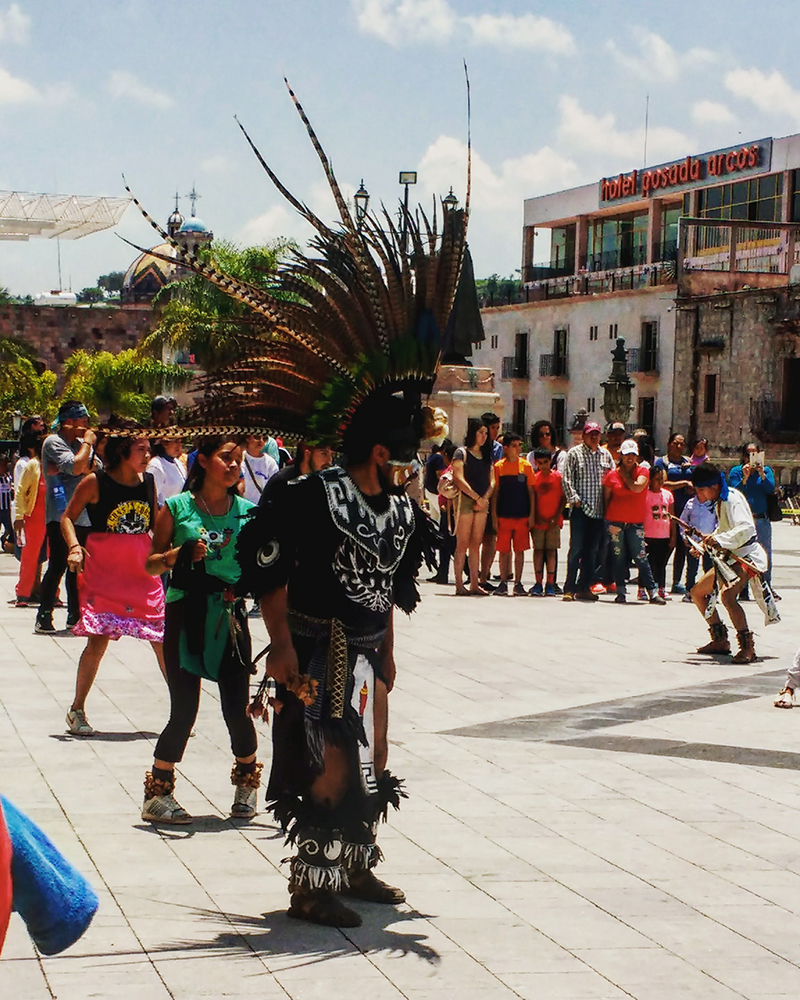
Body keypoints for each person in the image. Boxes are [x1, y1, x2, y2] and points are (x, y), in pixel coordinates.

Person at [239, 393, 431, 928]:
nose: (410, 464)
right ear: (377, 451)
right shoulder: (312, 495)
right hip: (318, 649)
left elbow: (390, 584)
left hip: (368, 650)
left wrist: (389, 650)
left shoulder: (399, 507)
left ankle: (352, 867)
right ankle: (309, 886)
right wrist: (280, 644)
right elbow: (269, 569)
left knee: (374, 762)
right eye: (404, 453)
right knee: (329, 767)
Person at [141, 435, 259, 825]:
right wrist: (176, 554)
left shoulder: (248, 513)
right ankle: (158, 794)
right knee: (184, 709)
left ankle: (246, 784)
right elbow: (152, 565)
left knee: (236, 710)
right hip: (185, 612)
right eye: (226, 457)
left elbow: (263, 568)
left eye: (238, 459)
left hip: (229, 613)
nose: (233, 465)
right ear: (204, 461)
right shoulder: (176, 508)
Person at [60, 430, 166, 736]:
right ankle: (77, 709)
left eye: (148, 449)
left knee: (162, 641)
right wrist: (74, 547)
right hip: (105, 573)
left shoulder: (149, 483)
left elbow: (157, 523)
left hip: (142, 573)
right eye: (141, 449)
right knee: (98, 641)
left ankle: (181, 710)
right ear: (121, 452)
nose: (148, 455)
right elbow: (68, 517)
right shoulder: (97, 482)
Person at [689, 461, 770, 664]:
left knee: (728, 595)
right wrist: (703, 545)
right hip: (730, 558)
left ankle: (747, 647)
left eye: (701, 490)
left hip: (746, 557)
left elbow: (745, 529)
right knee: (697, 593)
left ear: (713, 487)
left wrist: (719, 540)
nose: (700, 495)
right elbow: (724, 531)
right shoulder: (721, 501)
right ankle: (720, 640)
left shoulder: (732, 499)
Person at [35, 401, 100, 635]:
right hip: (60, 512)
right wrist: (85, 452)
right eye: (83, 422)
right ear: (69, 422)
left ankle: (75, 615)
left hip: (82, 514)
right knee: (59, 564)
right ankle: (44, 614)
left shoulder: (80, 445)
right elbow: (76, 467)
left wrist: (80, 462)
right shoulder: (54, 442)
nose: (86, 427)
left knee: (78, 567)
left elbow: (95, 468)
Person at [603, 440, 665, 605]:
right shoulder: (611, 475)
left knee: (641, 557)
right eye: (627, 454)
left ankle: (652, 591)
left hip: (635, 522)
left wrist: (624, 476)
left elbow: (638, 488)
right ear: (621, 456)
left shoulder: (643, 471)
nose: (630, 458)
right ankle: (621, 591)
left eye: (633, 454)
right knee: (618, 557)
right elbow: (606, 498)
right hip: (616, 522)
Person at [562, 421, 614, 601]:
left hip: (599, 511)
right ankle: (569, 588)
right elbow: (566, 478)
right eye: (590, 433)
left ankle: (584, 587)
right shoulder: (574, 454)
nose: (594, 437)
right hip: (581, 510)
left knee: (592, 552)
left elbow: (612, 479)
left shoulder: (606, 455)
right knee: (576, 549)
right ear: (584, 436)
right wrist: (574, 499)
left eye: (597, 434)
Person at [452, 418, 494, 596]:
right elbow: (458, 478)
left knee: (476, 543)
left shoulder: (486, 455)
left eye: (485, 433)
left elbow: (492, 480)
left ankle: (475, 583)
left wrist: (484, 498)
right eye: (480, 432)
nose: (483, 436)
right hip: (467, 499)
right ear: (473, 433)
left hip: (482, 501)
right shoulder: (461, 453)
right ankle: (459, 583)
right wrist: (476, 497)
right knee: (462, 542)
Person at [728, 443, 777, 596]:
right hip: (743, 519)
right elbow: (733, 492)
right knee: (742, 553)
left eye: (755, 453)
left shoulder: (767, 471)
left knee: (765, 553)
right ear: (744, 456)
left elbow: (770, 489)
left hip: (761, 518)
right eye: (749, 454)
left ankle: (766, 587)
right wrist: (744, 478)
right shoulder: (736, 471)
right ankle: (742, 588)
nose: (751, 457)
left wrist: (762, 475)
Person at [491, 433, 535, 596]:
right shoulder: (499, 467)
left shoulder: (526, 466)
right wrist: (494, 516)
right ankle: (503, 581)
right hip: (504, 514)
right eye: (514, 445)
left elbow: (531, 492)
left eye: (519, 445)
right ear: (506, 448)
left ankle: (518, 582)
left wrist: (532, 515)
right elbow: (495, 492)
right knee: (503, 550)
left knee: (520, 550)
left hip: (521, 514)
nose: (518, 449)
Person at [654, 433, 693, 594]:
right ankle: (657, 579)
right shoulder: (662, 462)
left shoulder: (687, 462)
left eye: (682, 444)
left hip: (686, 510)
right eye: (676, 443)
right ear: (669, 444)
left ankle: (677, 581)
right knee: (666, 546)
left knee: (682, 547)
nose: (679, 447)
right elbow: (662, 483)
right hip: (668, 509)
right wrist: (683, 483)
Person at [13, 432, 46, 608]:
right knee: (30, 556)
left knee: (56, 557)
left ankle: (51, 593)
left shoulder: (58, 466)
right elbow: (19, 492)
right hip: (34, 515)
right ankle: (23, 593)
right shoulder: (33, 466)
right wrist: (19, 516)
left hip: (54, 515)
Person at [529, 447, 564, 597]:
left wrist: (556, 517)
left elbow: (563, 498)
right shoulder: (534, 479)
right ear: (536, 463)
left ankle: (550, 583)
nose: (543, 465)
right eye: (540, 463)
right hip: (538, 521)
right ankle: (538, 582)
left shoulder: (558, 477)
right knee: (538, 551)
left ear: (551, 461)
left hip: (553, 522)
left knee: (551, 551)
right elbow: (532, 500)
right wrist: (536, 516)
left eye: (546, 462)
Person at [641, 465, 675, 601]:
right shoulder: (645, 495)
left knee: (661, 563)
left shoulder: (668, 495)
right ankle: (642, 588)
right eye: (657, 479)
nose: (660, 482)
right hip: (648, 534)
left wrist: (673, 536)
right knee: (647, 563)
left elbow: (672, 516)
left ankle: (661, 588)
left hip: (663, 535)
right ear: (650, 480)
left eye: (662, 479)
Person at [478, 412, 502, 590]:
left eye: (496, 428)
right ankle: (473, 573)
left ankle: (484, 574)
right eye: (492, 428)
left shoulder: (497, 449)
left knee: (490, 538)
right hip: (476, 495)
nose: (495, 432)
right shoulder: (474, 447)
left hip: (492, 496)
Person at [681, 494, 717, 600]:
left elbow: (718, 523)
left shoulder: (713, 505)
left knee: (709, 568)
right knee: (691, 568)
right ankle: (689, 591)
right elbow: (683, 521)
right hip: (693, 541)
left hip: (709, 542)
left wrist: (714, 537)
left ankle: (710, 592)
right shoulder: (690, 503)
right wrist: (684, 536)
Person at [146, 437, 187, 508]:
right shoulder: (156, 465)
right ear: (165, 444)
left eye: (180, 442)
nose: (179, 446)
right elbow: (152, 497)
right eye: (175, 442)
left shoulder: (179, 463)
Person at [241, 431, 279, 504]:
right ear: (248, 438)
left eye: (264, 438)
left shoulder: (270, 463)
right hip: (242, 508)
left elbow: (274, 488)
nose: (261, 441)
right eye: (257, 437)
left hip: (261, 509)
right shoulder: (239, 458)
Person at [423, 443, 446, 524]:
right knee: (441, 515)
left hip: (429, 489)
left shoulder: (431, 456)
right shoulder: (439, 457)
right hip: (435, 491)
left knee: (434, 517)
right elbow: (440, 474)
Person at [0, 454, 13, 551]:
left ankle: (4, 538)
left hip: (7, 508)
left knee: (10, 528)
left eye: (4, 465)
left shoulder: (8, 477)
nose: (3, 468)